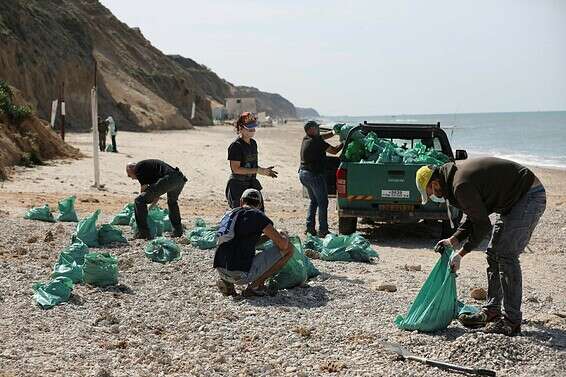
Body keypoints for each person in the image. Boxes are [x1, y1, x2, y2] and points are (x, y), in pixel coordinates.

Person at [415, 157, 546, 336]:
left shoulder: (459, 185)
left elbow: (483, 225)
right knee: (493, 254)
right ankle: (492, 310)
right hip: (511, 202)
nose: (432, 196)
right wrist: (452, 240)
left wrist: (461, 254)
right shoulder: (454, 180)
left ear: (436, 182)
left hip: (528, 196)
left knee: (506, 255)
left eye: (430, 192)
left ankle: (511, 321)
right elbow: (474, 217)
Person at [213, 188, 293, 297]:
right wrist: (283, 234)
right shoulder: (258, 216)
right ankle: (255, 286)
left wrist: (268, 237)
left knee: (230, 247)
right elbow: (283, 245)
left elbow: (242, 242)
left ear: (241, 201)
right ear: (260, 205)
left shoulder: (229, 214)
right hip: (240, 275)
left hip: (221, 270)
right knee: (289, 249)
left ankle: (229, 285)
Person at [298, 121, 343, 236]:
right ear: (311, 130)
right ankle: (323, 230)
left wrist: (333, 132)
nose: (318, 129)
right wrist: (344, 142)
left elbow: (322, 136)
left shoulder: (306, 138)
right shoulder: (317, 142)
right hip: (314, 175)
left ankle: (310, 228)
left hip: (303, 174)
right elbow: (334, 150)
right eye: (316, 128)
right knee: (323, 202)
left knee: (314, 201)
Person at [226, 112, 277, 211]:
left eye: (253, 127)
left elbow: (252, 166)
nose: (252, 130)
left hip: (252, 184)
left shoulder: (253, 143)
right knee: (241, 216)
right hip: (238, 185)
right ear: (241, 128)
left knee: (259, 214)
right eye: (249, 128)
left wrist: (264, 171)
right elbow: (236, 169)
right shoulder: (236, 146)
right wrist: (258, 170)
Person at [126, 159, 188, 239]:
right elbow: (156, 193)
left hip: (169, 179)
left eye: (129, 175)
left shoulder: (138, 168)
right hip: (179, 179)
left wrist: (141, 208)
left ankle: (143, 233)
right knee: (172, 203)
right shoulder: (149, 170)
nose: (131, 178)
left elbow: (144, 192)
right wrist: (150, 207)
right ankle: (178, 231)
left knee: (139, 201)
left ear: (131, 169)